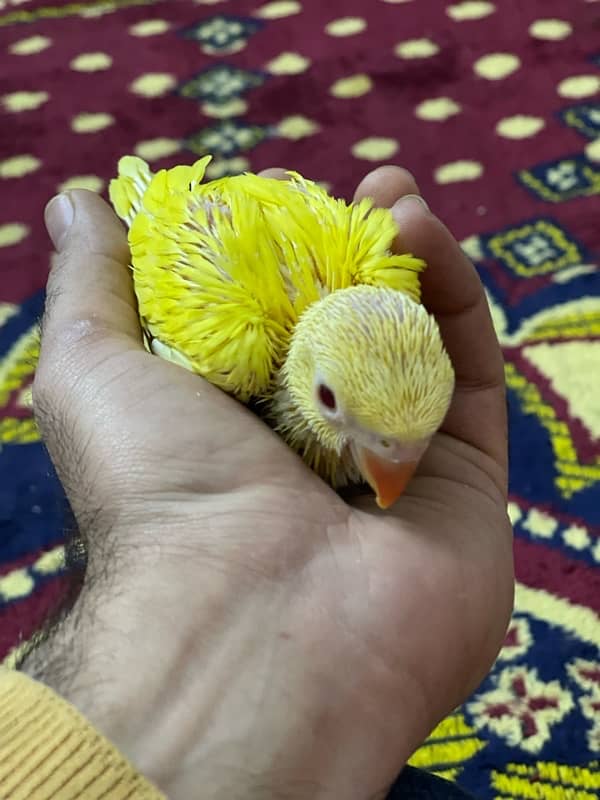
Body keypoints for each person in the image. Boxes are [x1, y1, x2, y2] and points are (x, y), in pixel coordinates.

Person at [0, 165, 513, 799]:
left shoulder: (387, 279)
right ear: (309, 372)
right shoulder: (232, 345)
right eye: (333, 401)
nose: (388, 470)